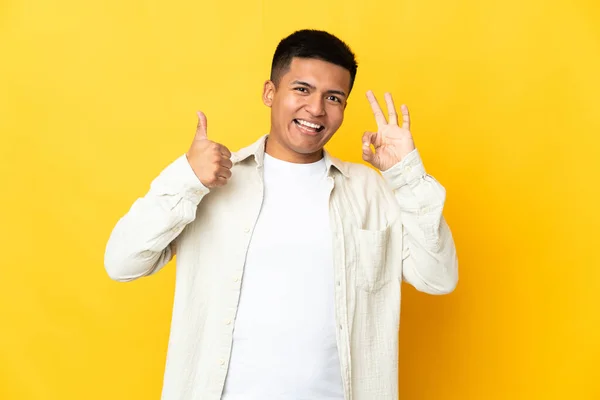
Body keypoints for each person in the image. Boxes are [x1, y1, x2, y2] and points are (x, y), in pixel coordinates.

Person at [104, 29, 458, 400]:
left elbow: (439, 278)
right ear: (270, 93)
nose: (317, 109)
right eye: (302, 89)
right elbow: (122, 262)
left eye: (333, 97)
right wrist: (186, 179)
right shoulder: (210, 182)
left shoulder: (372, 193)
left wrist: (407, 175)